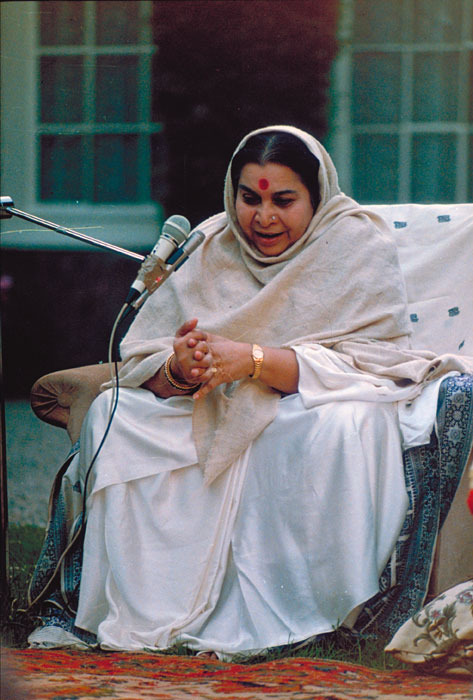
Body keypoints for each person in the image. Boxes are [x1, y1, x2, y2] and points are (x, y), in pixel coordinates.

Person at [27, 125, 472, 658]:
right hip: (211, 403)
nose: (262, 218)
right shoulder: (214, 244)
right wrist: (181, 368)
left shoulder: (355, 241)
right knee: (114, 417)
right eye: (249, 198)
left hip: (313, 399)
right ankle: (131, 610)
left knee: (342, 427)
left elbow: (372, 361)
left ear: (317, 196)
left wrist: (254, 360)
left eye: (283, 200)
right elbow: (146, 355)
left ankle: (311, 618)